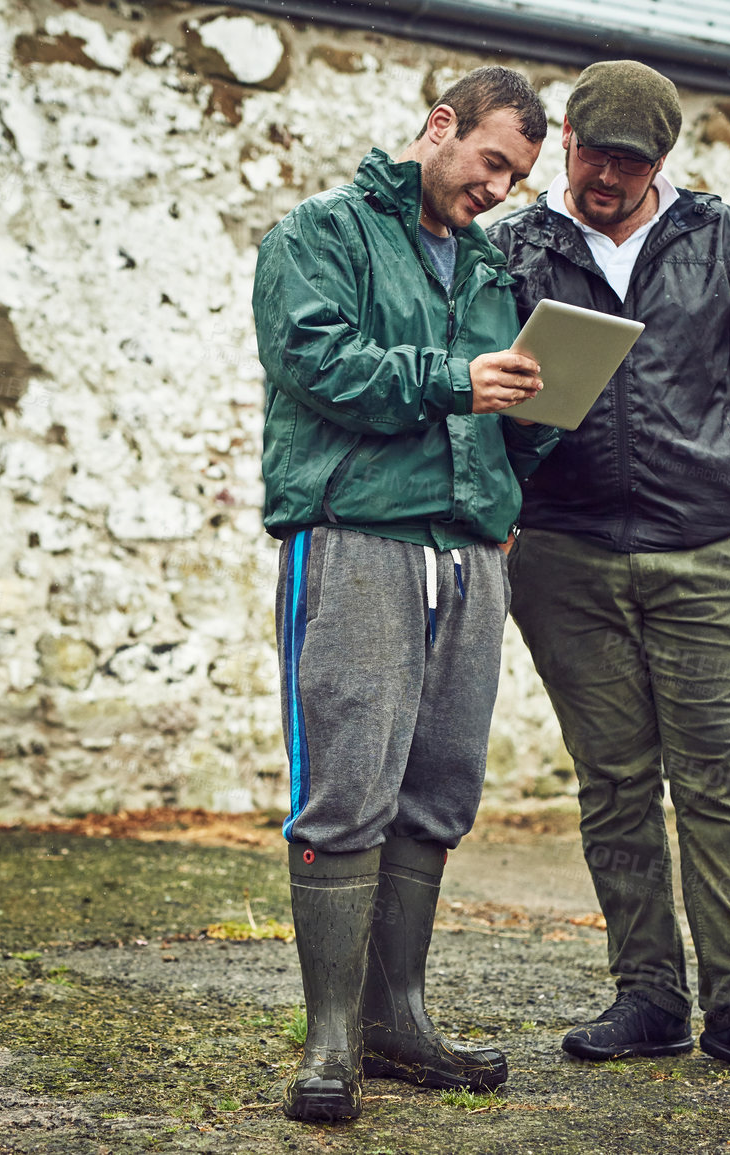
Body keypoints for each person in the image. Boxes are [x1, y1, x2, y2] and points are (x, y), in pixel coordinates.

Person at [486, 60, 730, 1087]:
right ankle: (648, 997)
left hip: (707, 549)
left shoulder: (720, 238)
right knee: (617, 787)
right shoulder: (516, 244)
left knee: (719, 786)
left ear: (663, 161)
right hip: (563, 553)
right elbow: (479, 384)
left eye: (628, 163)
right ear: (567, 143)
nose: (605, 177)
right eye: (592, 154)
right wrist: (503, 516)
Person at [252, 66, 558, 1122]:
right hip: (353, 538)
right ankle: (331, 1041)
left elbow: (493, 397)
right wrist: (454, 379)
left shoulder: (485, 265)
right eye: (491, 164)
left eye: (518, 179)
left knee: (438, 790)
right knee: (347, 786)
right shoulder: (319, 233)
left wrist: (536, 414)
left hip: (470, 550)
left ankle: (400, 1020)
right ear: (440, 127)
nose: (499, 191)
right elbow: (316, 363)